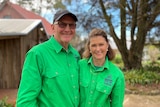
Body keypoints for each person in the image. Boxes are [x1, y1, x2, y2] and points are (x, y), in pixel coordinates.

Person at [16, 9, 80, 107]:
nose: (67, 29)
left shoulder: (75, 55)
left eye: (72, 25)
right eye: (62, 24)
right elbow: (25, 101)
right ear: (52, 27)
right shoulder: (37, 54)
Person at [79, 28, 125, 107]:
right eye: (93, 45)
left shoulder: (117, 75)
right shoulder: (79, 66)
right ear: (89, 48)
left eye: (101, 44)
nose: (98, 49)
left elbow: (117, 105)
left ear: (107, 45)